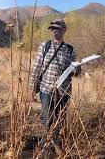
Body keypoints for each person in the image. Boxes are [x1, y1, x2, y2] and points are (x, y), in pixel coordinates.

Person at [30, 19, 81, 149]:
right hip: (46, 88)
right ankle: (45, 140)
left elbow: (76, 73)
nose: (54, 31)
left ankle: (54, 140)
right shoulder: (44, 46)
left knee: (60, 117)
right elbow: (36, 67)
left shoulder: (70, 50)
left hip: (64, 91)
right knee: (46, 115)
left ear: (64, 30)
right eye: (52, 28)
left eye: (57, 28)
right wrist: (32, 87)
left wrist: (78, 67)